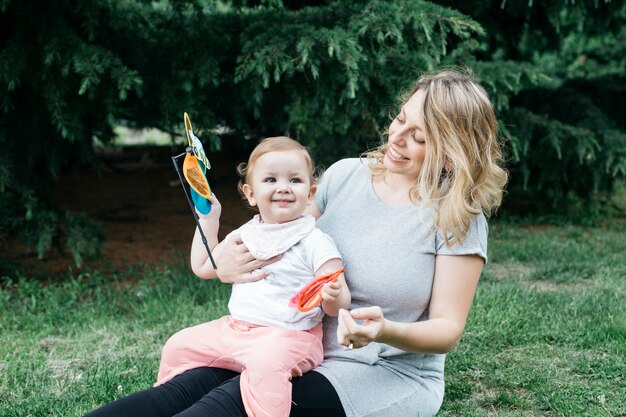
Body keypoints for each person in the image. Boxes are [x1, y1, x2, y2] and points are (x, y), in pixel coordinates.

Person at [83, 68, 507, 417]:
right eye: (401, 120)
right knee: (172, 395)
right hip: (287, 342)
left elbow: (447, 330)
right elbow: (281, 234)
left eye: (421, 137)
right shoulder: (345, 175)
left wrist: (384, 330)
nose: (398, 138)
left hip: (380, 370)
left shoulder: (456, 217)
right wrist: (227, 261)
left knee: (219, 409)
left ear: (453, 151)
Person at [84, 137, 350, 417]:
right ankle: (174, 396)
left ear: (311, 193)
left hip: (290, 337)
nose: (282, 187)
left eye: (295, 180)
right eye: (270, 180)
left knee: (266, 366)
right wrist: (209, 222)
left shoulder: (315, 241)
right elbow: (203, 266)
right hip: (236, 330)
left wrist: (332, 297)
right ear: (250, 193)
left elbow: (338, 301)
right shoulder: (245, 234)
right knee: (180, 343)